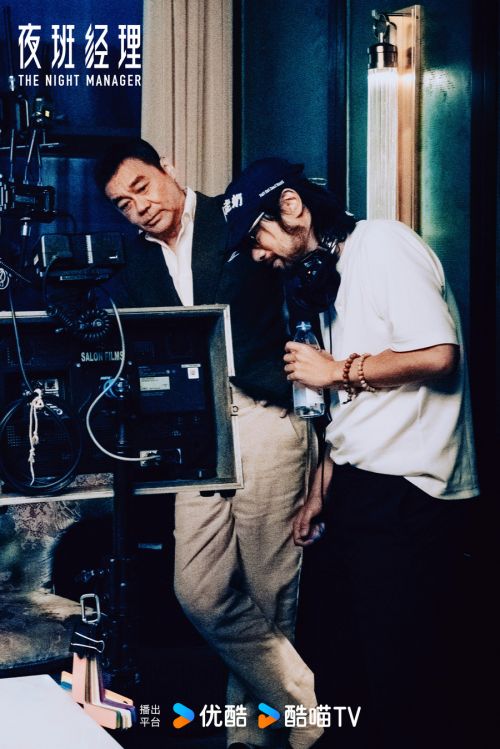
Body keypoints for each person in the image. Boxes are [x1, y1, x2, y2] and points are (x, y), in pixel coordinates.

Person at [222, 158, 479, 749]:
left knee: (403, 681)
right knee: (347, 670)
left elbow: (439, 355)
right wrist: (320, 490)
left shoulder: (384, 244)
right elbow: (352, 414)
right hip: (359, 489)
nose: (258, 255)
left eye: (257, 236)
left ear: (292, 207)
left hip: (410, 491)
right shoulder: (324, 280)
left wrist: (337, 370)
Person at [94, 141, 323, 749]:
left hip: (266, 415)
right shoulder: (131, 264)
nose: (139, 206)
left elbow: (303, 285)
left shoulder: (237, 217)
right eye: (123, 204)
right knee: (198, 588)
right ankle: (304, 705)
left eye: (142, 186)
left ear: (168, 169)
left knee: (269, 588)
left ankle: (249, 737)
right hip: (195, 433)